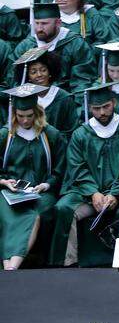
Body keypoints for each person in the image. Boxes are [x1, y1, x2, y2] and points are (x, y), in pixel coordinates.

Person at [49, 83, 119, 267]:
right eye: (96, 108)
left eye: (106, 106)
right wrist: (93, 192)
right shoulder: (81, 134)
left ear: (114, 102)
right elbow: (77, 168)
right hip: (86, 194)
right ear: (89, 108)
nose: (102, 112)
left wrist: (115, 193)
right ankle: (67, 263)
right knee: (63, 208)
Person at [0, 86, 64, 270]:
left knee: (40, 213)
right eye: (20, 116)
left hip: (41, 191)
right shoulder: (5, 135)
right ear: (14, 114)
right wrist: (4, 181)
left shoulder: (50, 135)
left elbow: (60, 170)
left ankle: (22, 264)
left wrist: (46, 184)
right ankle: (9, 266)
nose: (25, 120)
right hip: (9, 191)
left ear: (37, 112)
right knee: (9, 215)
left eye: (29, 115)